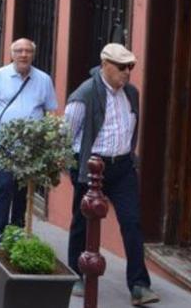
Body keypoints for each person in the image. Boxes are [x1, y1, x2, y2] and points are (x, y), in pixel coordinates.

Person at [64, 43, 160, 306]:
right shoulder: (84, 94)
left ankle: (139, 285)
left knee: (132, 222)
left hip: (122, 167)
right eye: (121, 67)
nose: (127, 72)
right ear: (105, 65)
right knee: (82, 222)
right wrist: (77, 168)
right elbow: (66, 135)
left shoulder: (131, 94)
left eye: (130, 67)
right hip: (92, 166)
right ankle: (76, 274)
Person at [0, 38, 58, 241]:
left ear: (33, 55)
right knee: (5, 185)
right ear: (12, 54)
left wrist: (52, 144)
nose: (23, 55)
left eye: (28, 51)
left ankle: (17, 232)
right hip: (2, 144)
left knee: (22, 191)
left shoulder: (43, 80)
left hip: (30, 149)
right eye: (19, 51)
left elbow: (51, 112)